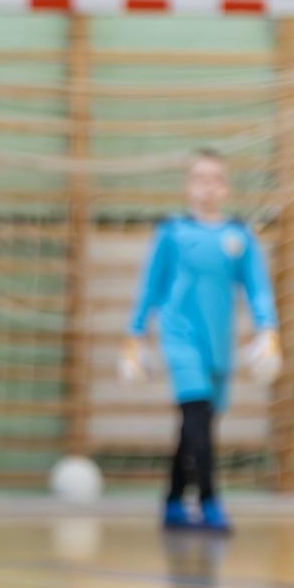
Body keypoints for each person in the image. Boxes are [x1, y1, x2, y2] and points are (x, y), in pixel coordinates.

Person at [122, 148, 279, 534]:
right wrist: (134, 335)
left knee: (197, 425)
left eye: (215, 179)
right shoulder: (172, 233)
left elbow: (258, 289)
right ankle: (209, 502)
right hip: (179, 337)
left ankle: (174, 500)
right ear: (188, 186)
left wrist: (268, 330)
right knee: (198, 420)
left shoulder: (238, 237)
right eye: (200, 178)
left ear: (225, 187)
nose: (207, 187)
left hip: (218, 345)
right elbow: (150, 287)